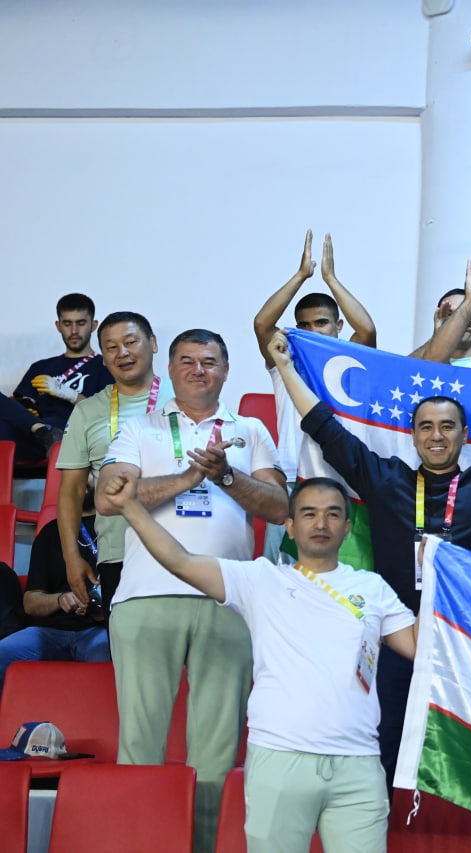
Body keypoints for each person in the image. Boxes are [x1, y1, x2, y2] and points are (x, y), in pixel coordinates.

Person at [267, 329, 471, 785]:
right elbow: (324, 426)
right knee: (385, 748)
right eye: (426, 427)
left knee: (467, 760)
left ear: (464, 434)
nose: (437, 436)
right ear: (413, 436)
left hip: (465, 640)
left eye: (447, 426)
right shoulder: (385, 479)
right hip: (397, 639)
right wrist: (285, 367)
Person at [101, 473, 415, 853]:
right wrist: (130, 507)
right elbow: (180, 561)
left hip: (359, 766)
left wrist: (439, 570)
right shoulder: (259, 579)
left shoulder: (373, 588)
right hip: (279, 760)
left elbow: (420, 647)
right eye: (309, 514)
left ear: (347, 529)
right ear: (290, 527)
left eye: (333, 514)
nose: (321, 523)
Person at [96, 328, 289, 853]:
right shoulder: (140, 428)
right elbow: (109, 496)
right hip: (145, 597)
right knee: (140, 744)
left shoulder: (249, 430)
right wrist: (187, 478)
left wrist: (226, 476)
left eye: (209, 361)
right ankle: (139, 846)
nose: (198, 370)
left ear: (226, 371)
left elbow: (279, 508)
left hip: (230, 599)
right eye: (187, 361)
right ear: (171, 368)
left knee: (217, 751)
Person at [60, 311, 170, 611]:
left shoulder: (185, 399)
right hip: (118, 554)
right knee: (124, 642)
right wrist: (72, 558)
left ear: (153, 343)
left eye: (131, 342)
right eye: (111, 347)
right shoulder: (86, 412)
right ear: (103, 358)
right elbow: (70, 492)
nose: (122, 352)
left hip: (186, 547)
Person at [254, 230, 378, 484]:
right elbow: (262, 324)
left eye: (321, 323)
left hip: (343, 477)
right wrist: (301, 276)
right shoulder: (284, 357)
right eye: (305, 325)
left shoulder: (349, 360)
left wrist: (331, 279)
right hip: (293, 475)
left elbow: (367, 331)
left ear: (339, 326)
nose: (313, 331)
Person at [0, 496, 110, 694]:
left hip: (99, 631)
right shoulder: (51, 532)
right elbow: (30, 603)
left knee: (110, 664)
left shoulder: (117, 532)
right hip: (50, 632)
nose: (84, 482)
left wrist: (101, 610)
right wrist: (60, 600)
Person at [0, 293, 112, 458]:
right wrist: (27, 407)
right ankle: (43, 431)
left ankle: (46, 432)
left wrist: (68, 393)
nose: (74, 331)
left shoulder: (105, 366)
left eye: (81, 323)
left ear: (94, 325)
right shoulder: (40, 366)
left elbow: (105, 412)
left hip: (73, 433)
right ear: (58, 326)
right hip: (34, 436)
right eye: (67, 323)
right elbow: (19, 404)